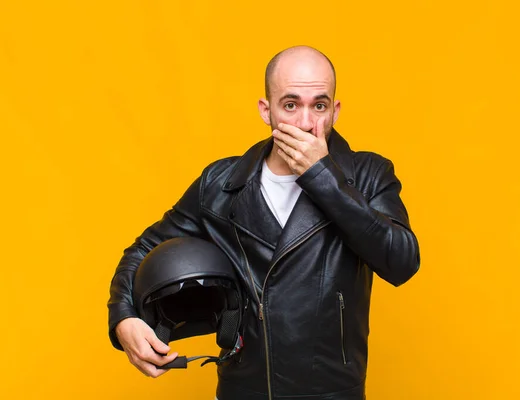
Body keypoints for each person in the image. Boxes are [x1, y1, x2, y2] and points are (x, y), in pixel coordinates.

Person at [108, 45, 420, 400]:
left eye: (318, 105)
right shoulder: (220, 183)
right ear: (265, 109)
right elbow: (144, 249)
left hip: (332, 392)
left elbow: (402, 261)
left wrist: (323, 177)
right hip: (242, 389)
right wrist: (124, 318)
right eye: (290, 105)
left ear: (334, 110)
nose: (305, 123)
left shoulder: (367, 175)